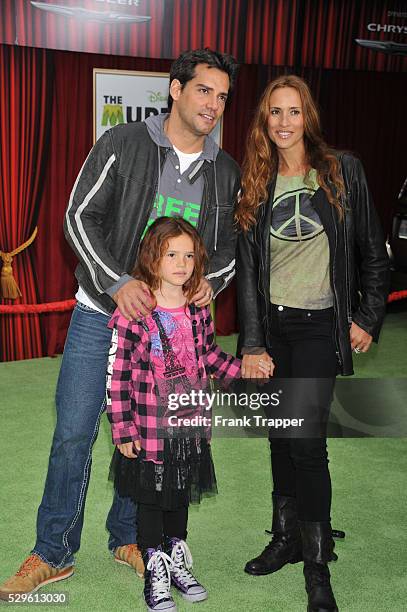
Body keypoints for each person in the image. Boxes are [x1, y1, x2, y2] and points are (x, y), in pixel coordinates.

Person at [0, 49, 241, 601]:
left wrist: (213, 282)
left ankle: (131, 538)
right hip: (98, 315)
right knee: (74, 433)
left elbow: (227, 250)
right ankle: (52, 551)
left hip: (167, 334)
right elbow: (78, 215)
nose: (214, 105)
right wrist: (116, 283)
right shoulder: (123, 143)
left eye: (223, 96)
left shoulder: (224, 170)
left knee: (150, 439)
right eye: (204, 91)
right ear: (176, 90)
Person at [235, 75, 389, 612]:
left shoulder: (341, 171)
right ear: (264, 121)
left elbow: (374, 248)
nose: (283, 122)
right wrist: (252, 341)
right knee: (279, 437)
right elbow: (250, 274)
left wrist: (368, 315)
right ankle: (287, 538)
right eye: (274, 112)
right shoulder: (253, 181)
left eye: (293, 112)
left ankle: (318, 564)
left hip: (321, 325)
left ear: (309, 117)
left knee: (306, 442)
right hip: (272, 330)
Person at [107, 216, 257, 611]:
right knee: (152, 500)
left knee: (180, 497)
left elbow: (208, 356)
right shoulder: (133, 312)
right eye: (171, 254)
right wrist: (122, 429)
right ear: (152, 258)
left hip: (190, 425)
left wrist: (244, 374)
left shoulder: (198, 308)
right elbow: (118, 375)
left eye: (189, 255)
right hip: (149, 428)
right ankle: (154, 569)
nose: (181, 263)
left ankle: (176, 560)